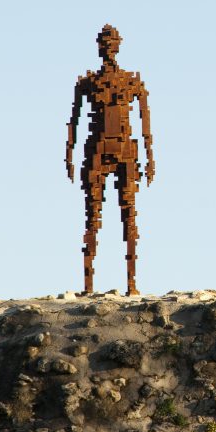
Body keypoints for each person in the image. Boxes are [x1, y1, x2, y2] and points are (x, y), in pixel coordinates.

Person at [65, 24, 155, 295]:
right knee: (92, 216)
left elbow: (145, 123)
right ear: (100, 46)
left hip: (127, 151)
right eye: (105, 42)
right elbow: (75, 121)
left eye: (112, 42)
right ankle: (88, 286)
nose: (108, 47)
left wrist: (150, 157)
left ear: (118, 45)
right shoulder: (88, 83)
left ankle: (131, 283)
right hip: (96, 151)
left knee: (129, 217)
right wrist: (69, 153)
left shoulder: (132, 82)